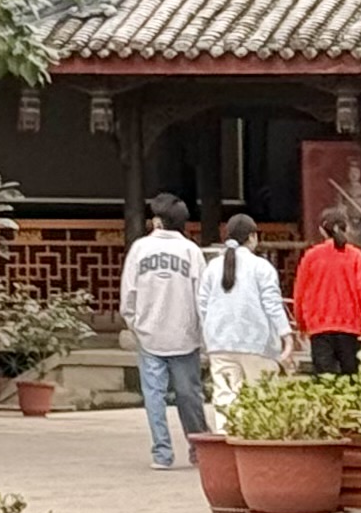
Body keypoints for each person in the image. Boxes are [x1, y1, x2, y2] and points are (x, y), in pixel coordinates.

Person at [117, 192, 212, 469]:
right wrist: (202, 333)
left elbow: (128, 293)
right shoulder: (191, 252)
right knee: (189, 395)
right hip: (184, 335)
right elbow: (202, 298)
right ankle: (198, 447)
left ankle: (162, 453)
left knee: (154, 396)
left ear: (157, 221)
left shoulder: (139, 249)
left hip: (149, 335)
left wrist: (134, 323)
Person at [197, 208, 289, 408]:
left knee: (225, 397)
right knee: (263, 400)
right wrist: (286, 335)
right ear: (252, 237)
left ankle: (225, 436)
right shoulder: (261, 267)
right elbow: (272, 304)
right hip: (256, 343)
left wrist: (208, 332)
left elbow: (202, 305)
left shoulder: (213, 267)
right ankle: (257, 439)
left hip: (219, 343)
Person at [292, 211, 361, 376]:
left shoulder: (311, 256)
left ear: (321, 230)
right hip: (351, 327)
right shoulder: (356, 256)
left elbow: (300, 293)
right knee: (351, 382)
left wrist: (301, 324)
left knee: (325, 384)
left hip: (319, 326)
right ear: (346, 229)